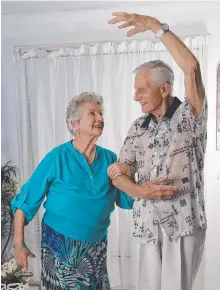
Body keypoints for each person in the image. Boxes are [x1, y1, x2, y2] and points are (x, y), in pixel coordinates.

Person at [11, 92, 177, 290]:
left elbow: (126, 199)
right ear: (75, 124)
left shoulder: (109, 158)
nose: (100, 118)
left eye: (101, 113)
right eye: (93, 113)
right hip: (60, 245)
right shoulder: (57, 158)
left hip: (96, 247)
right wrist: (19, 244)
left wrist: (140, 180)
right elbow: (26, 200)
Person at [108, 12, 207, 290]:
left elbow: (192, 68)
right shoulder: (138, 126)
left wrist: (155, 26)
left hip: (183, 225)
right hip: (147, 225)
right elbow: (120, 173)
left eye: (141, 89)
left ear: (164, 88)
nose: (135, 96)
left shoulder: (191, 115)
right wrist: (140, 191)